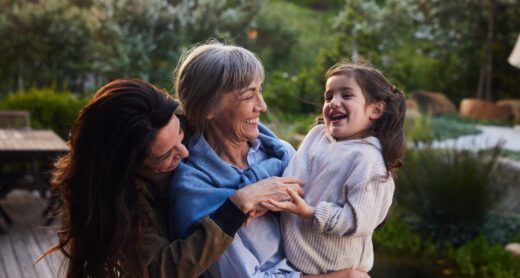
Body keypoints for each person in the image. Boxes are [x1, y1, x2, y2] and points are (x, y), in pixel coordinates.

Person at [43, 79, 298, 278]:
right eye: (166, 154)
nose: (185, 151)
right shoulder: (124, 202)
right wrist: (234, 207)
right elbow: (160, 271)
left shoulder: (185, 121)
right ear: (129, 165)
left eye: (180, 134)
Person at [169, 41, 370, 278]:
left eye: (260, 91)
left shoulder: (281, 153)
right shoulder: (195, 189)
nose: (262, 106)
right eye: (248, 96)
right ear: (208, 108)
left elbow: (336, 214)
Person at [267, 62, 406, 274]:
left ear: (375, 109)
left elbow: (358, 221)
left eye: (346, 95)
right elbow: (293, 177)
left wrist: (310, 212)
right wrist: (270, 199)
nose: (334, 102)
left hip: (338, 270)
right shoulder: (316, 136)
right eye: (329, 96)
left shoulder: (368, 159)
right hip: (293, 266)